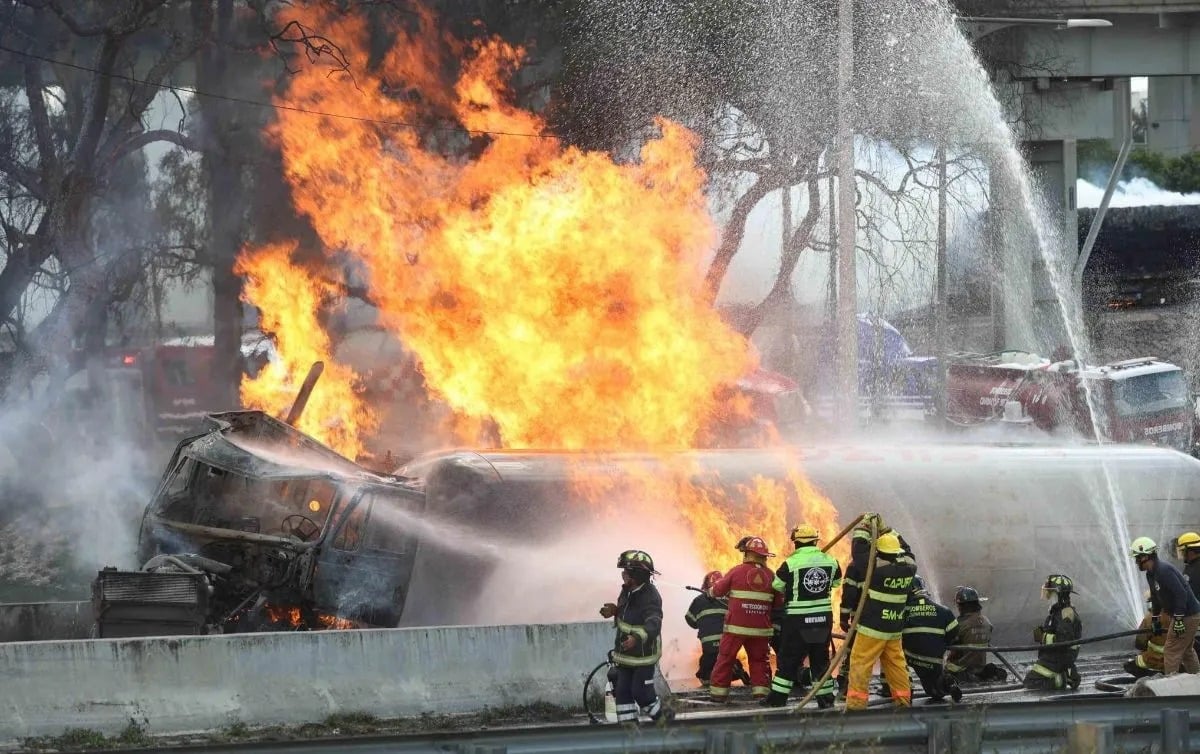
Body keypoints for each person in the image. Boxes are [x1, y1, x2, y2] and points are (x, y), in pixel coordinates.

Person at [764, 524, 842, 708]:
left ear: (796, 543)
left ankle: (777, 700)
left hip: (797, 621)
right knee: (820, 660)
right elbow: (837, 581)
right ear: (815, 541)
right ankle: (826, 699)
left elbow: (777, 586)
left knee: (789, 659)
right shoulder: (831, 560)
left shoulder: (790, 563)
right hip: (822, 619)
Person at [837, 512, 914, 701]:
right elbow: (907, 549)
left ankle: (856, 704)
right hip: (894, 627)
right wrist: (886, 529)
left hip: (872, 627)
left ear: (878, 551)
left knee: (860, 662)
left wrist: (863, 528)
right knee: (896, 664)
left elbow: (859, 552)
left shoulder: (875, 569)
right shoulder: (909, 567)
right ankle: (903, 701)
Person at [598, 550, 670, 723]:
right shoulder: (628, 590)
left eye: (626, 572)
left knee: (641, 693)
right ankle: (629, 730)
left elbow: (653, 623)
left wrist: (636, 639)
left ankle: (666, 720)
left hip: (643, 656)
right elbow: (630, 612)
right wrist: (615, 611)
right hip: (625, 655)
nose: (623, 574)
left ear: (636, 575)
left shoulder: (651, 596)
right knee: (622, 692)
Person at [707, 536, 780, 702]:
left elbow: (718, 590)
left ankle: (718, 695)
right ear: (764, 556)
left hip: (736, 628)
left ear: (747, 553)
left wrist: (710, 592)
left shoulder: (736, 571)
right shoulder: (771, 576)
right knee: (759, 661)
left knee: (726, 658)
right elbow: (778, 603)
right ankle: (761, 693)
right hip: (761, 629)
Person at [1131, 536, 1200, 675]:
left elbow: (1181, 594)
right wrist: (1155, 618)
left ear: (1146, 556)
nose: (1137, 562)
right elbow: (1156, 597)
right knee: (1186, 651)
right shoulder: (1151, 574)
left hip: (1188, 615)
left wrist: (1179, 618)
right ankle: (1196, 681)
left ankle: (1171, 687)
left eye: (1138, 558)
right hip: (1185, 615)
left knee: (1171, 650)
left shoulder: (1163, 571)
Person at [902, 575, 963, 704]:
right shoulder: (944, 611)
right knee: (936, 693)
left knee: (893, 659)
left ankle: (906, 686)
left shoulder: (902, 612)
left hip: (909, 657)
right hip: (934, 659)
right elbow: (955, 636)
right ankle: (947, 682)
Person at [684, 570, 750, 688]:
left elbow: (690, 620)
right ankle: (736, 669)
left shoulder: (698, 600)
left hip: (708, 642)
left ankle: (707, 678)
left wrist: (702, 624)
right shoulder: (729, 600)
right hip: (727, 639)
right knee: (727, 658)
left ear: (705, 585)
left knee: (707, 663)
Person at [1022, 574, 1082, 690]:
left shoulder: (1066, 614)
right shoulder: (1057, 612)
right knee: (1031, 677)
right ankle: (1065, 674)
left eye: (1049, 592)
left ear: (1057, 593)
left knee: (1031, 682)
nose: (1047, 596)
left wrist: (1044, 637)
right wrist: (1042, 634)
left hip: (1057, 660)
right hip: (1052, 658)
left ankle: (1061, 679)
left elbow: (1064, 641)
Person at [944, 586, 1007, 683]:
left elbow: (947, 641)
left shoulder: (958, 624)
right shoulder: (987, 622)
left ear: (961, 606)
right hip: (980, 670)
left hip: (959, 670)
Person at [1124, 590, 1165, 679]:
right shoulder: (1177, 616)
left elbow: (1140, 643)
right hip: (1176, 659)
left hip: (1155, 660)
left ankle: (1152, 677)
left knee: (1129, 664)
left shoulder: (1149, 618)